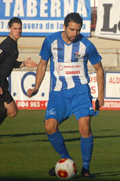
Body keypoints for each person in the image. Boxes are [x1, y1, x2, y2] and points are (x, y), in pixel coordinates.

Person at [27, 13, 105, 178]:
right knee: (49, 126)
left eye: (78, 30)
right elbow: (42, 64)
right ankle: (67, 161)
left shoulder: (86, 45)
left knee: (84, 127)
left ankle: (85, 168)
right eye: (72, 29)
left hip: (80, 92)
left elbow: (99, 69)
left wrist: (101, 96)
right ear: (64, 27)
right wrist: (36, 87)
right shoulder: (51, 41)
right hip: (58, 94)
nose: (75, 34)